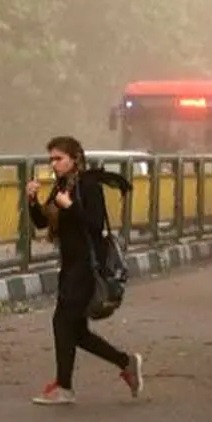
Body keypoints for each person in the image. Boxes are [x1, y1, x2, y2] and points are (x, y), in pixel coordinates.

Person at [26, 135, 144, 406]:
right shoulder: (62, 186)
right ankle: (126, 363)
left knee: (62, 323)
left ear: (75, 158)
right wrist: (32, 200)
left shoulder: (88, 185)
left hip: (86, 267)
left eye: (59, 159)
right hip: (71, 265)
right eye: (51, 159)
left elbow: (93, 224)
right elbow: (43, 222)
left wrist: (72, 207)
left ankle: (64, 387)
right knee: (76, 331)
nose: (54, 164)